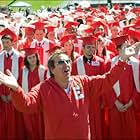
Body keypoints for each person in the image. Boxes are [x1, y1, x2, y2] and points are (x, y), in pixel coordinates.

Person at [0, 45, 139, 139]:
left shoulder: (82, 82)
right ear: (52, 69)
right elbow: (26, 105)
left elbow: (108, 80)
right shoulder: (43, 88)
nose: (66, 64)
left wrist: (122, 60)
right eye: (61, 62)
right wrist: (15, 89)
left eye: (67, 61)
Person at [0, 28, 25, 139]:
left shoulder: (19, 57)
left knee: (15, 120)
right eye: (3, 42)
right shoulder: (0, 56)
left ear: (12, 43)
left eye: (7, 42)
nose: (5, 45)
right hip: (2, 94)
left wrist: (12, 94)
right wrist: (1, 94)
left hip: (14, 93)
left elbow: (21, 77)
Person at [19, 48, 48, 140]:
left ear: (37, 57)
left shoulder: (43, 70)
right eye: (30, 58)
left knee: (41, 126)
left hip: (40, 104)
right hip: (27, 103)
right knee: (29, 127)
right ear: (26, 59)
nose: (32, 59)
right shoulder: (22, 71)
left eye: (34, 57)